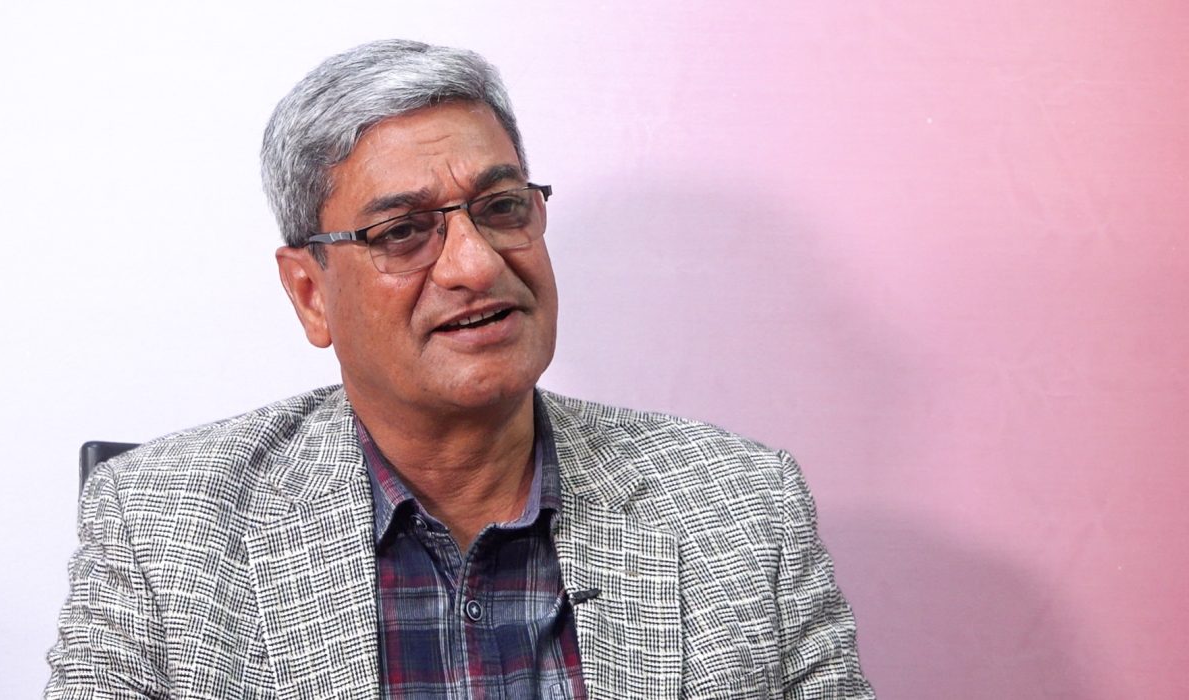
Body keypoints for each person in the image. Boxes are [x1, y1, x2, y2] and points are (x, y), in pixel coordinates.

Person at [45, 39, 874, 700]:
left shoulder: (743, 507)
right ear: (311, 294)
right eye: (404, 231)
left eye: (500, 208)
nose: (476, 264)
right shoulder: (160, 526)